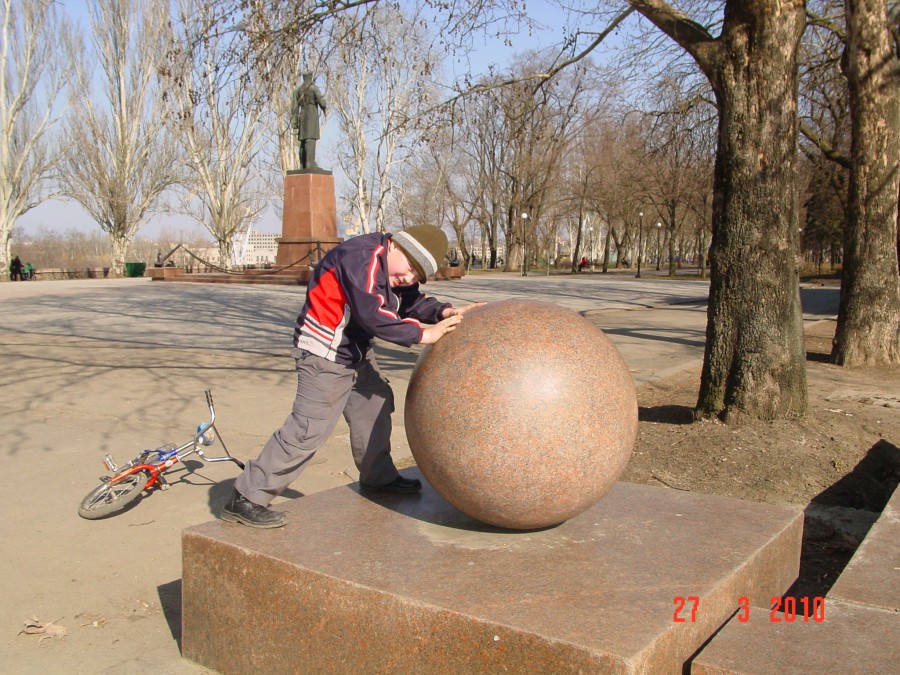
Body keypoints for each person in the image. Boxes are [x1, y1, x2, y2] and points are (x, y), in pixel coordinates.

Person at [222, 224, 483, 528]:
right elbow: (373, 315)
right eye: (411, 268)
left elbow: (410, 300)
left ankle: (378, 478)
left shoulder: (392, 267)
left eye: (418, 275)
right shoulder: (362, 257)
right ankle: (247, 497)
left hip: (354, 349)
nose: (409, 278)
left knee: (375, 403)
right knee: (309, 427)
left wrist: (445, 312)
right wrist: (424, 335)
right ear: (396, 245)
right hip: (324, 351)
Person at [290, 71, 327, 171]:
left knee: (303, 140)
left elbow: (294, 108)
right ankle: (310, 163)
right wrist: (324, 104)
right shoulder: (313, 88)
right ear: (310, 78)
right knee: (310, 139)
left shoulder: (298, 90)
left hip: (302, 115)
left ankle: (302, 164)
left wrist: (294, 122)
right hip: (311, 115)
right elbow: (322, 103)